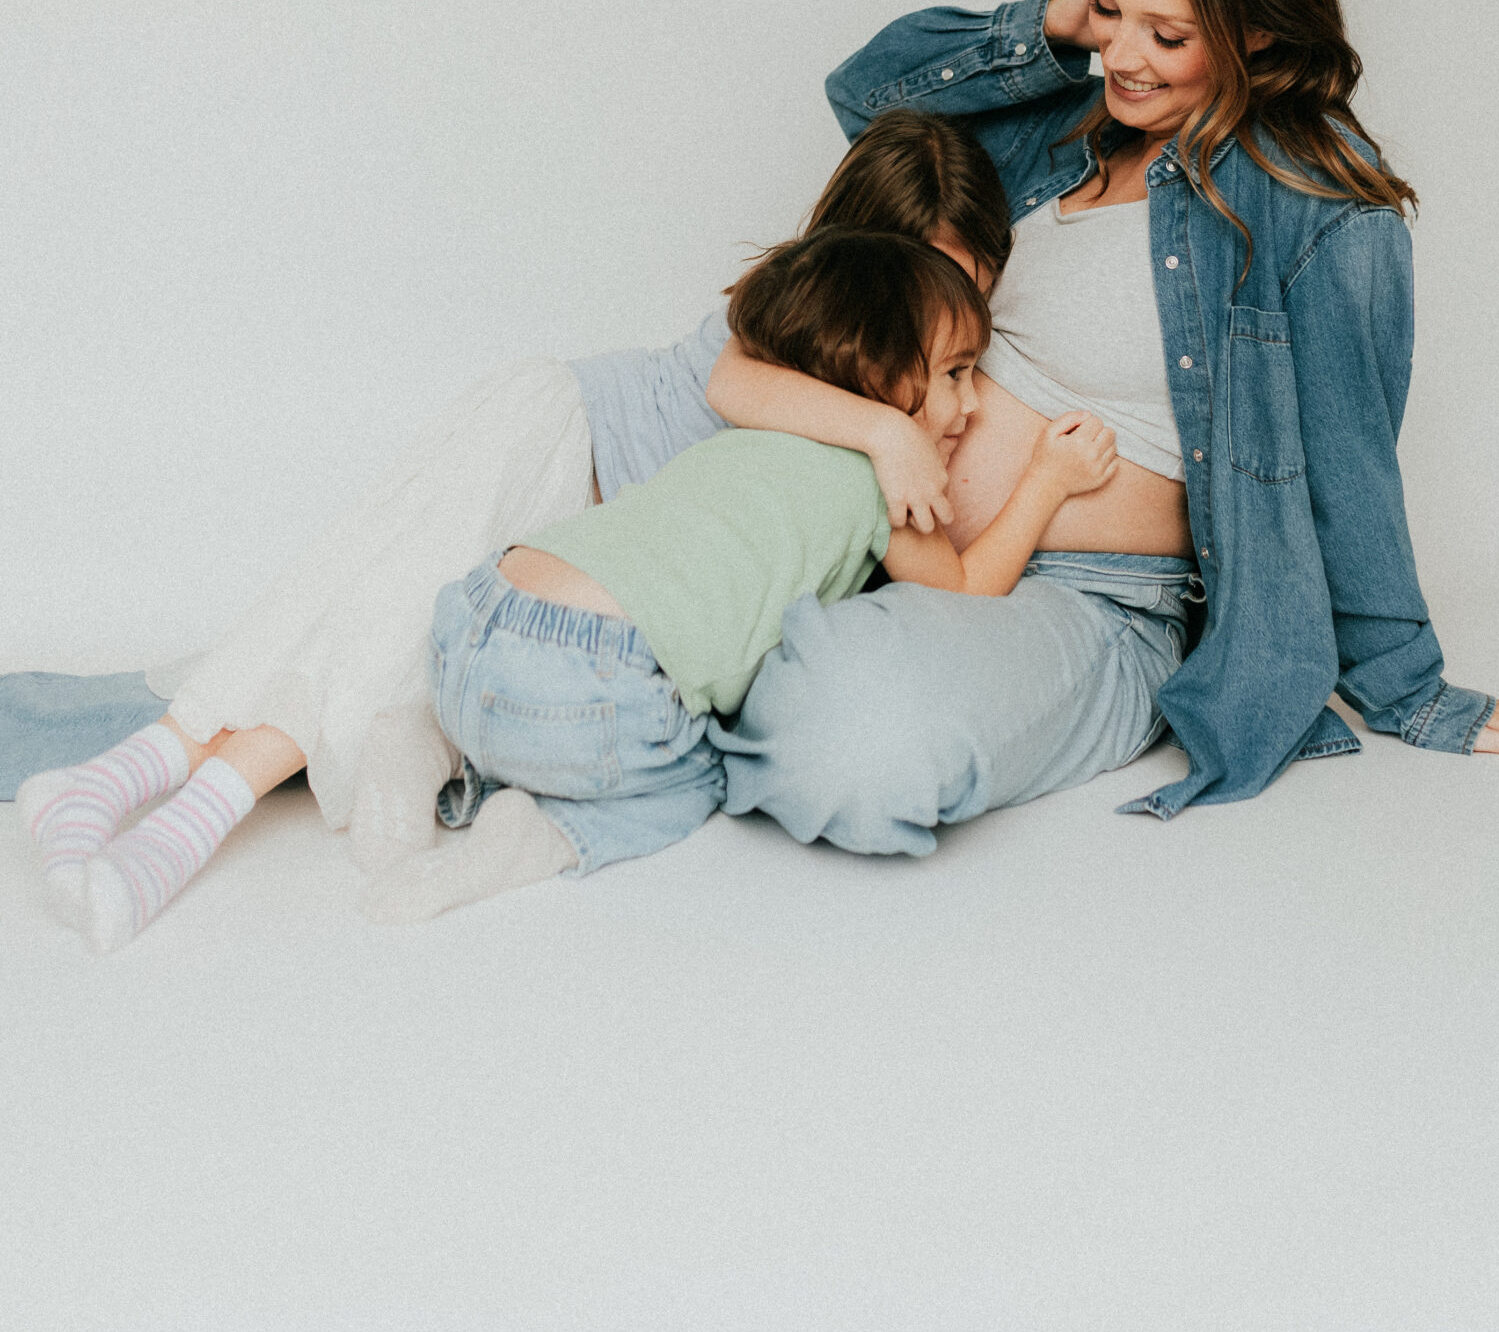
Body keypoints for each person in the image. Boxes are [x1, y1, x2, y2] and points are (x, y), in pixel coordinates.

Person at [702, 0, 1499, 856]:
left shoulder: (1322, 206)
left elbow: (1349, 460)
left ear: (1259, 36)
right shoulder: (1066, 120)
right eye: (1112, 10)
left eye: (1167, 33)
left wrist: (1411, 689)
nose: (1122, 57)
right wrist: (1049, 25)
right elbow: (868, 102)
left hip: (1083, 592)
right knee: (595, 417)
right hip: (855, 484)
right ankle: (619, 668)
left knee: (858, 745)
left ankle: (676, 693)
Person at [34, 230, 1121, 949]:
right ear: (880, 373)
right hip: (583, 671)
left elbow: (743, 375)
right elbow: (975, 585)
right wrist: (1047, 479)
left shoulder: (768, 403)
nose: (973, 404)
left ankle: (419, 742)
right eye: (959, 373)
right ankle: (519, 838)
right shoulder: (887, 479)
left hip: (475, 623)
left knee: (368, 624)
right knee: (717, 767)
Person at [9, 110, 1012, 869]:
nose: (946, 321)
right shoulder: (788, 350)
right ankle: (144, 789)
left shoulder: (887, 406)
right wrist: (886, 429)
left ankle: (165, 778)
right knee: (346, 636)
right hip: (554, 444)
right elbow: (728, 387)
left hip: (579, 567)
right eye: (925, 284)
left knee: (364, 646)